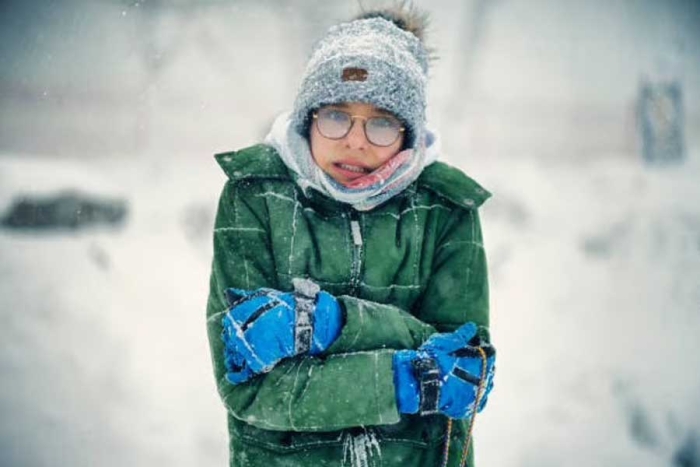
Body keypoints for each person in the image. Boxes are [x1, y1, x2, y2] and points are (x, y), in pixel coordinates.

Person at [205, 5, 496, 467]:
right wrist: (404, 377)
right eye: (336, 115)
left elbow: (463, 374)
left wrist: (329, 323)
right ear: (309, 117)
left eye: (381, 122)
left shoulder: (446, 209)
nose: (355, 140)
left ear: (408, 135)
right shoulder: (256, 196)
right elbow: (249, 389)